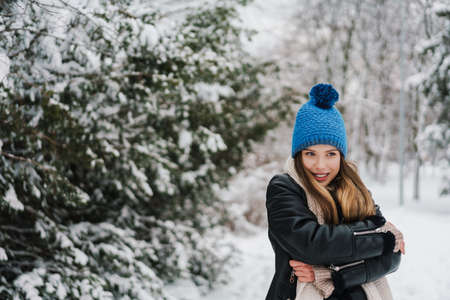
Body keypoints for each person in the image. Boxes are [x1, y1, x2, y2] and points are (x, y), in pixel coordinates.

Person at [265, 83, 405, 300]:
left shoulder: (356, 190)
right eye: (311, 154)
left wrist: (330, 274)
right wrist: (382, 237)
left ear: (341, 156)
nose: (321, 165)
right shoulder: (284, 188)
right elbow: (313, 244)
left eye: (330, 154)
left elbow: (392, 259)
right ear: (298, 155)